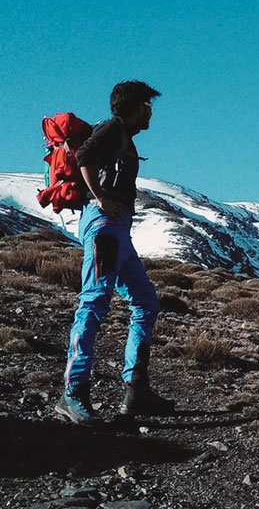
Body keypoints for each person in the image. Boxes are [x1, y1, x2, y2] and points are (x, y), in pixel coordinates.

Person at [55, 80, 175, 426]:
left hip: (116, 231)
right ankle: (72, 391)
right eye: (147, 105)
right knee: (93, 302)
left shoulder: (123, 137)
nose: (150, 111)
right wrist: (100, 197)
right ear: (135, 106)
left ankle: (136, 390)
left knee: (146, 301)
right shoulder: (111, 129)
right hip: (104, 227)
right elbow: (84, 157)